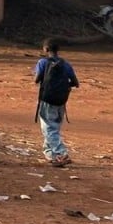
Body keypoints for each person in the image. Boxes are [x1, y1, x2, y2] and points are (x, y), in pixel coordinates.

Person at [34, 38, 80, 167]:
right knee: (53, 127)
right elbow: (76, 83)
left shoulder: (43, 62)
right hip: (61, 100)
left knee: (48, 128)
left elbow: (36, 80)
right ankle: (51, 155)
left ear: (46, 49)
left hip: (47, 99)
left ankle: (61, 153)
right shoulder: (66, 64)